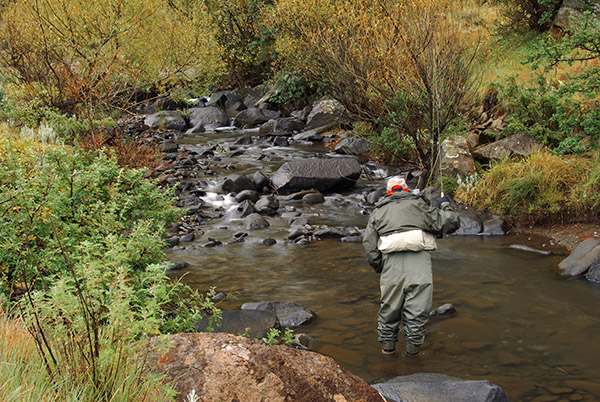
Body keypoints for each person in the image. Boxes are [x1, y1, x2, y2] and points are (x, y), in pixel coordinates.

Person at [362, 176, 460, 356]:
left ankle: (387, 352)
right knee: (418, 310)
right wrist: (445, 204)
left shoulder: (378, 213)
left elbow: (369, 246)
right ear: (406, 190)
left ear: (388, 192)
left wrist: (380, 267)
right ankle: (412, 354)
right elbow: (451, 222)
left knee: (389, 309)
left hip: (390, 265)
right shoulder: (420, 206)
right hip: (419, 263)